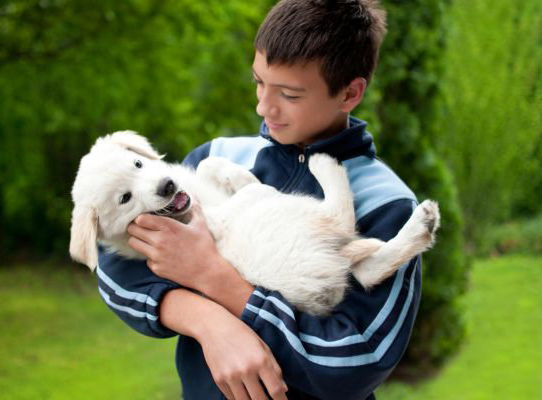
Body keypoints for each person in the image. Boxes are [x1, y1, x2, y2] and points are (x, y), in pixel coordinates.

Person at [97, 1, 422, 399]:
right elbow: (114, 265)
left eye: (288, 94)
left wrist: (218, 281)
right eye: (259, 82)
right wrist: (210, 322)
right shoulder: (216, 159)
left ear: (350, 93)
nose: (263, 107)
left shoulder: (387, 204)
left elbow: (357, 360)